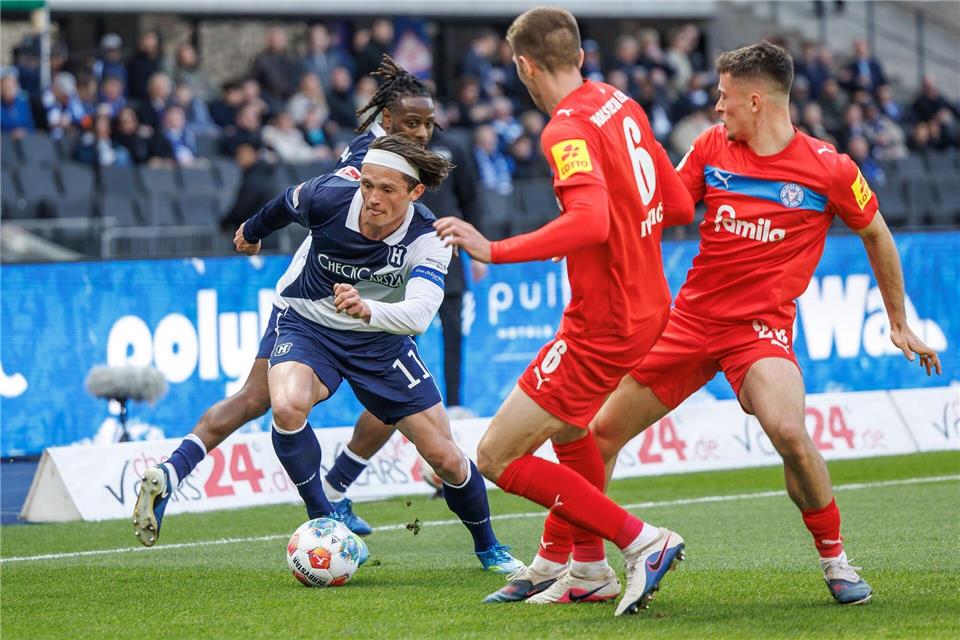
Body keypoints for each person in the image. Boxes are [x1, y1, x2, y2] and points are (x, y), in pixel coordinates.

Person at [523, 41, 943, 609]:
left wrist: (898, 321)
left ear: (754, 100)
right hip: (688, 322)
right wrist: (587, 229)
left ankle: (836, 559)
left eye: (723, 97)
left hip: (760, 331)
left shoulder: (830, 168)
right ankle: (576, 564)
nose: (716, 108)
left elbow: (877, 234)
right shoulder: (709, 148)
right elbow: (661, 206)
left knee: (790, 434)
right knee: (598, 433)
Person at [132, 56, 522, 574]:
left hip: (379, 330)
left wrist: (368, 308)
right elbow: (286, 203)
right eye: (411, 124)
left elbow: (418, 314)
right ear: (383, 126)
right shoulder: (348, 178)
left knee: (446, 456)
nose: (422, 133)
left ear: (415, 190)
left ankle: (485, 546)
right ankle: (326, 515)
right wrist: (250, 231)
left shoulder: (429, 229)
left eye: (428, 124)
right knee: (280, 404)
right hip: (310, 313)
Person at [434, 8, 695, 615]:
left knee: (497, 455)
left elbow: (591, 220)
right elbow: (679, 204)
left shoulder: (565, 130)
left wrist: (493, 249)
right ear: (578, 54)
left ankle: (642, 542)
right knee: (573, 430)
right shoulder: (621, 101)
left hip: (604, 322)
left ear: (524, 65)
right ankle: (587, 567)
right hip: (648, 305)